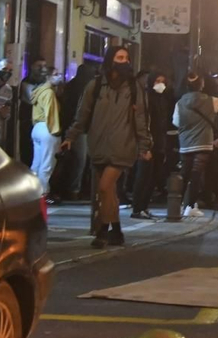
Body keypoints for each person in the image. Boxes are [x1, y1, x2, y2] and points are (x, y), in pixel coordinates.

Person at [61, 45, 151, 248]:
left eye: (126, 57)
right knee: (108, 192)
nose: (124, 61)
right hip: (99, 144)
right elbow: (82, 114)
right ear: (110, 60)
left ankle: (103, 231)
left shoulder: (134, 88)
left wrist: (144, 145)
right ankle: (116, 231)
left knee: (104, 187)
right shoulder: (96, 86)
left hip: (122, 145)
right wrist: (71, 136)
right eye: (119, 57)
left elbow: (140, 119)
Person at [173, 71, 218, 218]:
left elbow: (175, 121)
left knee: (185, 174)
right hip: (203, 142)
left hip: (185, 143)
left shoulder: (180, 102)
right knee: (196, 174)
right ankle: (191, 206)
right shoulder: (209, 101)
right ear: (202, 85)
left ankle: (177, 204)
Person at [128, 70, 175, 220]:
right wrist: (145, 144)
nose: (160, 84)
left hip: (160, 143)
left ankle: (144, 206)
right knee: (143, 176)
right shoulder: (147, 98)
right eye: (157, 81)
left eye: (162, 81)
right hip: (148, 142)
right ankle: (137, 207)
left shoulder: (164, 99)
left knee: (153, 177)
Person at [52, 61, 97, 202]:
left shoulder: (71, 86)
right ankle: (74, 189)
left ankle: (70, 188)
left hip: (71, 128)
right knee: (80, 160)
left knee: (73, 159)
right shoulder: (84, 89)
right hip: (79, 129)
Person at [26, 58, 61, 196]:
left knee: (36, 163)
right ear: (49, 77)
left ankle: (31, 190)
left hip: (37, 128)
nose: (59, 77)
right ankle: (42, 192)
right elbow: (51, 114)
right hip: (47, 128)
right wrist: (56, 131)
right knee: (47, 163)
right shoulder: (49, 93)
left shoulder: (39, 91)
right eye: (56, 74)